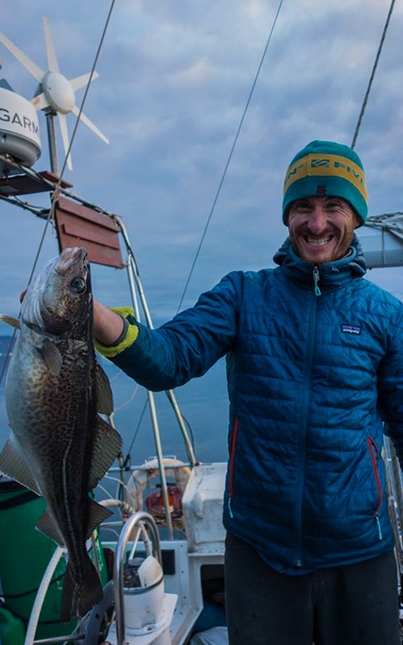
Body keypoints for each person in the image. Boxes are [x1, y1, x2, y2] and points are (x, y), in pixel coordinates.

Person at [93, 140, 403, 644]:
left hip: (359, 553)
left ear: (356, 216)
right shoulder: (244, 295)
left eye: (333, 207)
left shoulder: (386, 315)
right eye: (303, 206)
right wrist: (101, 321)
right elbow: (170, 358)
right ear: (287, 216)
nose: (317, 223)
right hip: (261, 551)